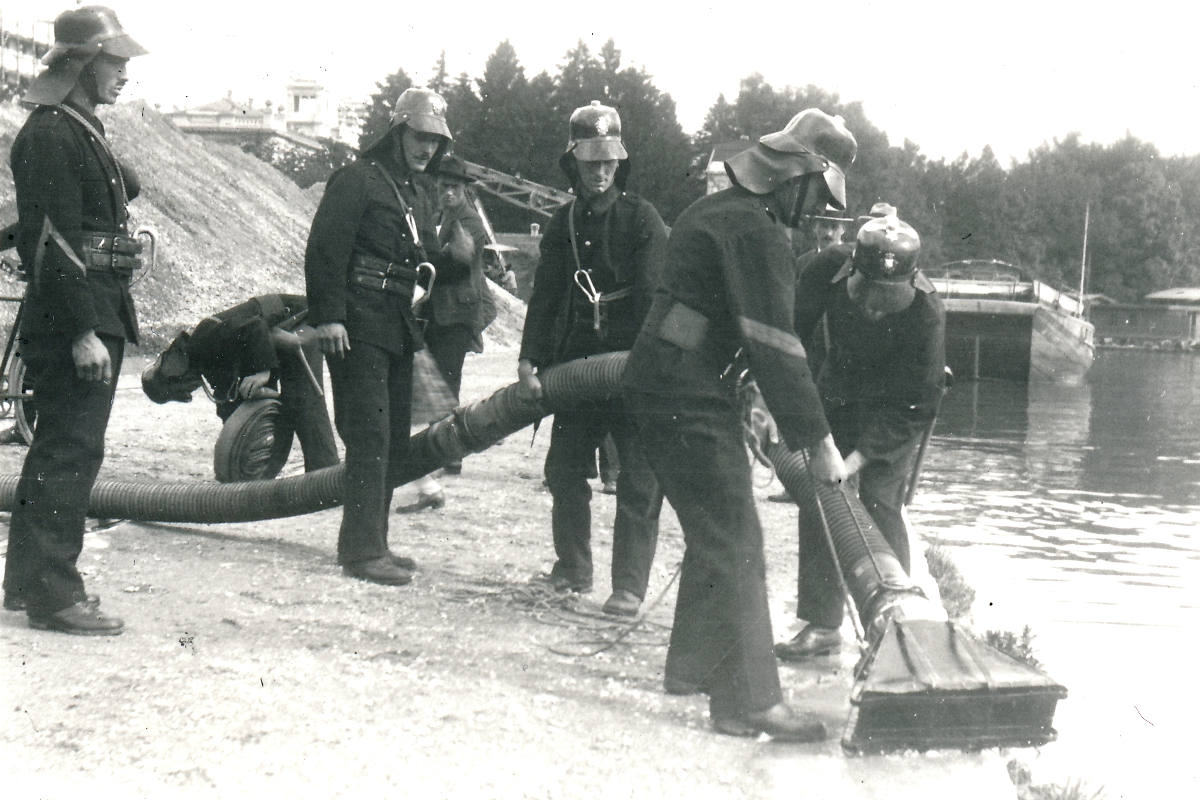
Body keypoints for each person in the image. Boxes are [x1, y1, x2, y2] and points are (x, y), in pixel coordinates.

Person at [621, 108, 857, 740]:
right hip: (685, 392)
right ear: (796, 176)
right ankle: (748, 701)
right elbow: (777, 345)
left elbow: (725, 325)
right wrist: (819, 443)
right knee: (737, 537)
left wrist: (745, 396)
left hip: (672, 382)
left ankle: (692, 667)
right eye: (819, 194)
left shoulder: (719, 211)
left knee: (715, 531)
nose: (820, 211)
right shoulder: (758, 232)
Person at [1, 6, 146, 634]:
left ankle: (27, 584)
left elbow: (115, 194)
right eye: (115, 62)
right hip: (75, 317)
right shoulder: (52, 135)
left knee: (59, 449)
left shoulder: (76, 129)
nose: (125, 74)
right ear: (82, 63)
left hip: (91, 305)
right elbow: (53, 243)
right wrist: (83, 332)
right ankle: (56, 596)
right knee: (70, 452)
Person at [304, 87, 473, 586]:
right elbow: (324, 250)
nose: (427, 148)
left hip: (397, 325)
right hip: (356, 325)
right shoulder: (357, 179)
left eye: (435, 141)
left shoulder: (415, 191)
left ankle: (375, 542)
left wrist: (456, 262)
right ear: (398, 132)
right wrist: (329, 317)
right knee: (370, 434)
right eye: (419, 137)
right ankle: (360, 551)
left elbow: (418, 262)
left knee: (394, 438)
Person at [517, 101, 668, 617]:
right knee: (563, 470)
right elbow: (546, 296)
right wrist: (529, 358)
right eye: (590, 162)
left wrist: (648, 364)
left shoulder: (642, 218)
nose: (599, 172)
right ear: (574, 164)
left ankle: (628, 587)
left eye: (607, 162)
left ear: (618, 163)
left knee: (638, 480)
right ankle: (573, 568)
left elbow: (655, 297)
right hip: (578, 362)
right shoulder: (563, 223)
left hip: (632, 361)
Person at [774, 212, 946, 661]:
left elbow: (917, 404)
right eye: (867, 296)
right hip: (836, 392)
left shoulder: (927, 313)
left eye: (887, 301)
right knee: (822, 499)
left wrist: (852, 463)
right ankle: (822, 624)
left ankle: (894, 627)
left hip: (893, 410)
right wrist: (784, 407)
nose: (873, 308)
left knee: (880, 504)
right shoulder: (826, 268)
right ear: (852, 269)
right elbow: (789, 334)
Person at [140, 294, 339, 474]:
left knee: (302, 400)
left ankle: (324, 478)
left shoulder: (204, 341)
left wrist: (263, 372)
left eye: (182, 390)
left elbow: (255, 327)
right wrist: (234, 442)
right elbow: (229, 402)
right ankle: (262, 477)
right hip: (268, 341)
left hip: (296, 321)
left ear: (176, 376)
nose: (191, 390)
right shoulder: (204, 362)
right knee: (268, 407)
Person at [405, 153, 491, 496]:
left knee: (447, 381)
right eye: (443, 187)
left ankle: (450, 454)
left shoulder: (470, 222)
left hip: (457, 315)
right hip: (438, 313)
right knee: (437, 382)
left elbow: (453, 267)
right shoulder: (439, 217)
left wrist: (423, 259)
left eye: (454, 187)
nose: (448, 193)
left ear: (465, 189)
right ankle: (445, 450)